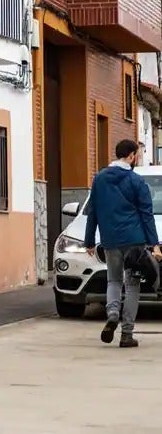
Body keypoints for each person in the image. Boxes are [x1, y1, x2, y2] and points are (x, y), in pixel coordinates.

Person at [85, 139, 160, 348]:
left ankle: (112, 313)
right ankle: (127, 334)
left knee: (114, 281)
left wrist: (89, 241)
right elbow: (146, 214)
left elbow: (93, 212)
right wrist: (154, 244)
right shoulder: (136, 181)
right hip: (134, 241)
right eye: (137, 155)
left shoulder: (99, 179)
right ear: (131, 156)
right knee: (133, 284)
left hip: (110, 240)